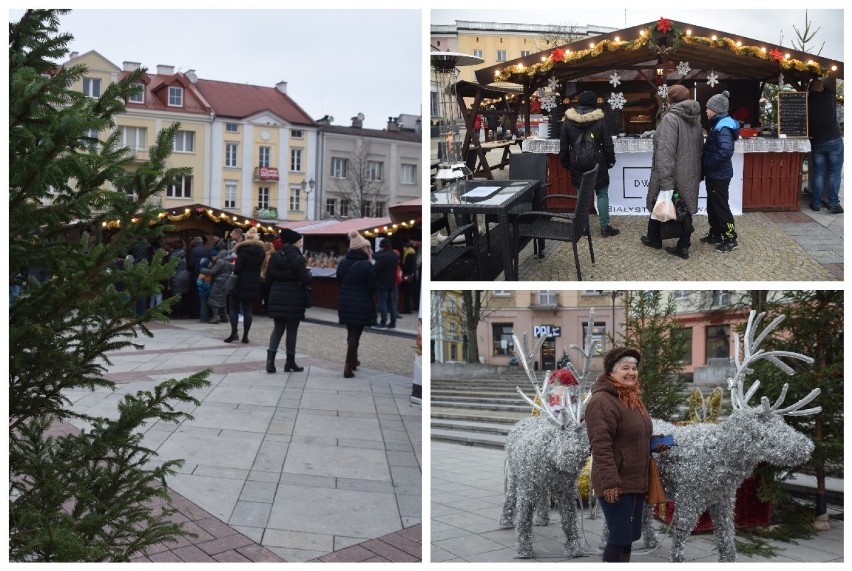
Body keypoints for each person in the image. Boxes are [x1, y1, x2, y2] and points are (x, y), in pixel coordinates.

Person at [584, 347, 652, 563]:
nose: (631, 372)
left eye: (634, 368)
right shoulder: (602, 401)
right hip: (616, 482)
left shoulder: (631, 397)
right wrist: (611, 482)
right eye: (625, 368)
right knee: (619, 536)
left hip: (635, 479)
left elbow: (634, 432)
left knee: (628, 537)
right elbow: (600, 446)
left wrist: (655, 442)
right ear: (611, 372)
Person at [641, 84, 704, 259]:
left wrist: (666, 179)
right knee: (684, 206)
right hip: (690, 171)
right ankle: (675, 242)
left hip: (673, 171)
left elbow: (665, 151)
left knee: (662, 200)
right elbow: (700, 149)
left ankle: (663, 241)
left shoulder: (671, 119)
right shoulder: (696, 120)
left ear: (670, 100)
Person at [559, 90, 619, 237]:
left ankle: (583, 228)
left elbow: (563, 146)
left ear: (578, 103)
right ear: (593, 104)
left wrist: (566, 163)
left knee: (581, 196)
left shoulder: (567, 121)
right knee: (602, 194)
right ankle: (605, 227)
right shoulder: (600, 120)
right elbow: (607, 144)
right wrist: (611, 160)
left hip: (577, 163)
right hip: (598, 162)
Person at [265, 228, 312, 373]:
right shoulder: (297, 257)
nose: (300, 244)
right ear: (293, 242)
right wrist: (309, 274)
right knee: (292, 330)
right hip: (294, 296)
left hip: (276, 295)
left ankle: (270, 362)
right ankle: (289, 362)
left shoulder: (275, 255)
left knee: (278, 328)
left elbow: (268, 278)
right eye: (299, 241)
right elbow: (305, 279)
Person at [702, 90, 740, 253]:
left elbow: (725, 152)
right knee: (712, 205)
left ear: (716, 109)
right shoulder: (719, 124)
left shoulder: (723, 127)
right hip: (715, 174)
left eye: (708, 108)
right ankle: (716, 233)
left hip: (719, 174)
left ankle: (731, 238)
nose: (706, 111)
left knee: (721, 206)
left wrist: (708, 164)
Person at [337, 229, 377, 378]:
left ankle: (353, 361)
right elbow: (373, 286)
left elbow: (339, 281)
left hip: (345, 301)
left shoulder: (343, 263)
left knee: (351, 333)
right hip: (361, 302)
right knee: (356, 334)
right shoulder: (367, 265)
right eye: (368, 247)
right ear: (363, 249)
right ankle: (348, 366)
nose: (370, 250)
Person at [807, 78, 844, 214]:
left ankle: (816, 203)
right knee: (834, 172)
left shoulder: (806, 102)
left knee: (819, 172)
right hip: (834, 140)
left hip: (817, 142)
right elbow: (828, 88)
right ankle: (833, 204)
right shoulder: (829, 98)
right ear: (821, 88)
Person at [224, 226, 265, 343]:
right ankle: (245, 336)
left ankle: (234, 333)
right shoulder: (261, 252)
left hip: (239, 283)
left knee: (233, 309)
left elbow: (237, 269)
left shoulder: (242, 251)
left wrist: (233, 267)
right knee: (248, 310)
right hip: (253, 282)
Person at [373, 238, 399, 329]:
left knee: (382, 302)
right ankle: (393, 322)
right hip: (392, 282)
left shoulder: (383, 256)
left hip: (382, 282)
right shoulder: (394, 256)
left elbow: (376, 268)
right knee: (392, 303)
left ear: (382, 247)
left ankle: (383, 322)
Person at [200, 248, 230, 324]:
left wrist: (202, 270)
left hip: (219, 282)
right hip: (226, 282)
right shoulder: (227, 261)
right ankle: (224, 316)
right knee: (223, 299)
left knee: (213, 299)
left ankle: (216, 317)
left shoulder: (220, 261)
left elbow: (213, 271)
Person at [400, 239, 417, 314]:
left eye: (404, 247)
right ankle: (408, 308)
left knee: (407, 292)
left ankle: (408, 308)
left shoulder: (408, 254)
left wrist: (402, 265)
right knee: (408, 292)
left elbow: (406, 266)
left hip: (407, 275)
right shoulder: (412, 253)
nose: (403, 249)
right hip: (411, 276)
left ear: (406, 247)